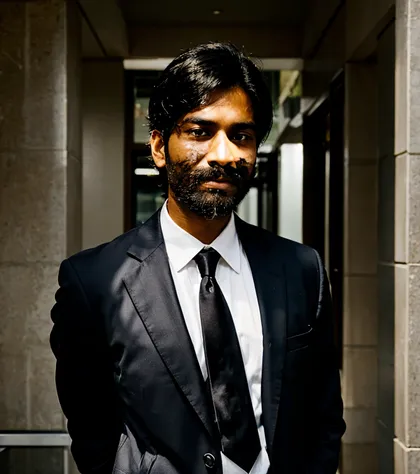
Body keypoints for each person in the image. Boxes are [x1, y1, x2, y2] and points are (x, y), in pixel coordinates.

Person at [50, 42, 345, 474]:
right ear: (158, 147)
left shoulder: (302, 271)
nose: (224, 155)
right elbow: (93, 430)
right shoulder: (93, 281)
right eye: (200, 131)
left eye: (240, 136)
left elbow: (323, 420)